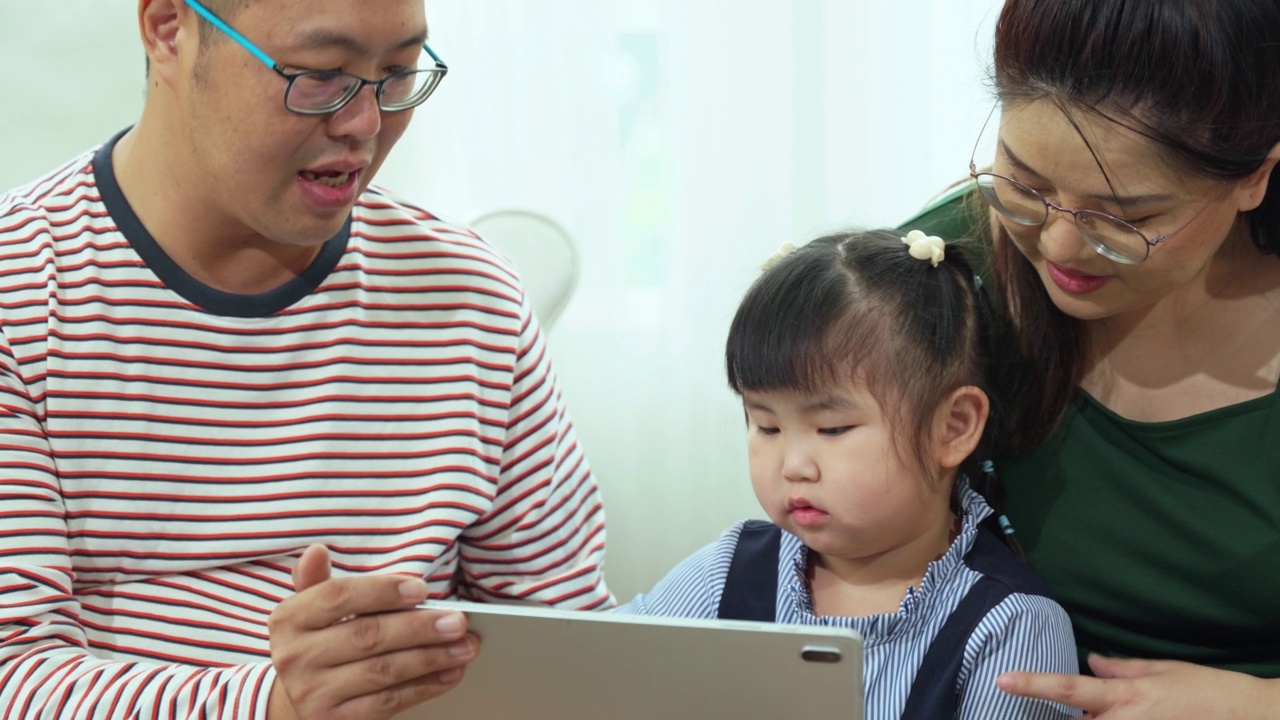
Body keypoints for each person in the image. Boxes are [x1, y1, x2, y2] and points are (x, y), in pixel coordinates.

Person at [0, 1, 611, 718]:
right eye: (321, 76)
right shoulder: (24, 293)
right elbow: (13, 671)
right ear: (169, 28)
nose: (365, 124)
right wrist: (276, 705)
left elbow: (573, 645)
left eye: (397, 73)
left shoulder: (470, 295)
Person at [901, 0, 1280, 716]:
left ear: (1254, 177)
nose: (1059, 247)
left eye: (1125, 219)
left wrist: (1258, 704)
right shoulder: (950, 269)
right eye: (1025, 184)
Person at [617, 229, 1080, 719]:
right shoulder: (725, 576)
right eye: (766, 426)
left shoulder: (1009, 628)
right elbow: (596, 670)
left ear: (953, 427)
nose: (793, 466)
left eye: (833, 429)